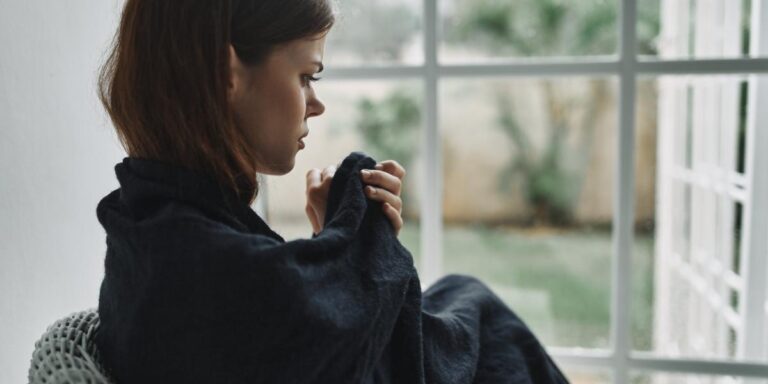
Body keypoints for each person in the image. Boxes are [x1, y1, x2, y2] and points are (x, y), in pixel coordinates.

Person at [94, 1, 569, 383]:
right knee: (478, 313)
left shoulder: (147, 224)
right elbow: (304, 329)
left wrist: (333, 246)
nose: (316, 104)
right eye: (306, 76)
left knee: (462, 300)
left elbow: (280, 331)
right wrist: (357, 238)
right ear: (227, 71)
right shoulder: (207, 265)